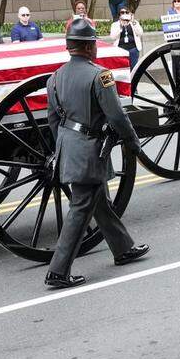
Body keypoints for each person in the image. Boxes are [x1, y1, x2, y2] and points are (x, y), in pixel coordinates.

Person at [44, 18, 150, 288]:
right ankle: (58, 270)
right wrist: (133, 142)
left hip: (69, 145)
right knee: (82, 206)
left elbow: (53, 120)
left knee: (98, 199)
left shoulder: (55, 78)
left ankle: (122, 248)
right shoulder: (100, 75)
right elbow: (116, 115)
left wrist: (63, 148)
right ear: (91, 47)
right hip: (89, 148)